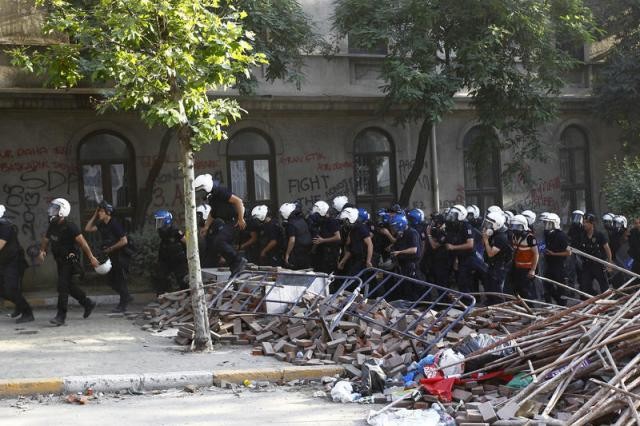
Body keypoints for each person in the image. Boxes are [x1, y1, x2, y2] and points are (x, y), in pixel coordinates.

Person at [38, 198, 98, 326]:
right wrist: (42, 250)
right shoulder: (53, 224)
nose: (51, 211)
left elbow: (83, 243)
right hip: (60, 259)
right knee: (68, 286)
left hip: (70, 260)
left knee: (63, 287)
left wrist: (91, 257)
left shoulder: (70, 226)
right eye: (52, 208)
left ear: (62, 211)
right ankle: (88, 303)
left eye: (55, 209)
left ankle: (61, 316)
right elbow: (46, 239)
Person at [195, 173, 247, 276]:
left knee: (219, 240)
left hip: (235, 221)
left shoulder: (220, 191)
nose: (201, 195)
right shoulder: (213, 198)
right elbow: (213, 213)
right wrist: (206, 227)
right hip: (229, 222)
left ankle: (238, 261)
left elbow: (239, 201)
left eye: (201, 191)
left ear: (207, 187)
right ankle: (235, 267)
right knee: (217, 243)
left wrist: (241, 219)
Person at [85, 200, 132, 313]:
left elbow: (124, 241)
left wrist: (111, 248)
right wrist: (94, 214)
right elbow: (88, 228)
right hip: (110, 256)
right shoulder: (102, 224)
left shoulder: (114, 223)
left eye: (101, 211)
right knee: (110, 281)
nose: (99, 214)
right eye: (99, 212)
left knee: (120, 280)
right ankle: (126, 296)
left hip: (120, 255)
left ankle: (123, 304)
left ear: (108, 213)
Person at [0, 204, 34, 323]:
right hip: (4, 263)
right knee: (4, 291)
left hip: (13, 263)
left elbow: (1, 244)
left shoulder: (5, 226)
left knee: (11, 290)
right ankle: (20, 307)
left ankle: (28, 313)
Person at [482, 211, 513, 305]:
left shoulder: (501, 237)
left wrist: (486, 240)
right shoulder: (494, 234)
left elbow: (491, 253)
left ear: (497, 224)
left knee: (496, 290)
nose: (487, 226)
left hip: (499, 267)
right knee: (488, 286)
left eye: (489, 224)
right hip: (492, 265)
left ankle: (500, 308)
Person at [153, 210, 188, 294]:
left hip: (178, 259)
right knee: (161, 277)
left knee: (182, 279)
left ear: (166, 220)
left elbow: (187, 241)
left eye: (160, 221)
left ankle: (188, 296)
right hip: (165, 258)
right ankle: (161, 297)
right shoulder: (161, 231)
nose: (158, 223)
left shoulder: (175, 230)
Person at [389, 212, 423, 300]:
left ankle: (417, 305)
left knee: (414, 287)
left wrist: (400, 252)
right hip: (403, 264)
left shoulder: (412, 233)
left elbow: (414, 249)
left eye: (395, 226)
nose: (394, 229)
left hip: (412, 264)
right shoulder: (401, 233)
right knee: (405, 286)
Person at [577, 214, 612, 295]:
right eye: (583, 222)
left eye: (586, 222)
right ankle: (595, 299)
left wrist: (609, 264)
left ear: (592, 224)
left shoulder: (599, 235)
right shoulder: (582, 235)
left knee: (605, 288)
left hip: (598, 265)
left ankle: (608, 302)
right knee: (585, 287)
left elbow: (607, 250)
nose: (584, 224)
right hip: (587, 265)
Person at [444, 205, 474, 293]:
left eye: (454, 215)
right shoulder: (454, 225)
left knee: (464, 281)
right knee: (459, 281)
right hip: (458, 258)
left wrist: (453, 247)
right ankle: (464, 302)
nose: (452, 217)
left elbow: (470, 244)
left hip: (467, 258)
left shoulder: (466, 226)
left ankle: (468, 303)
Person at [542, 213, 570, 305]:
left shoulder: (562, 236)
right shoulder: (547, 234)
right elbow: (543, 245)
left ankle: (563, 305)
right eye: (546, 223)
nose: (547, 226)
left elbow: (569, 252)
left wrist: (554, 254)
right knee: (547, 285)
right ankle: (555, 301)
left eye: (549, 223)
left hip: (559, 265)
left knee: (561, 287)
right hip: (549, 264)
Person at [510, 214, 539, 300]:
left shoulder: (529, 237)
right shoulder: (514, 236)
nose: (515, 229)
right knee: (517, 289)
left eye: (518, 226)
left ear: (523, 226)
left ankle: (530, 309)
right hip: (517, 267)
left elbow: (536, 254)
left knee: (527, 291)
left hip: (527, 268)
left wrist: (533, 270)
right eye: (513, 226)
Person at [337, 207, 373, 276]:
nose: (343, 223)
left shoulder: (361, 228)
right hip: (355, 260)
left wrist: (368, 260)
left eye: (344, 220)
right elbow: (351, 249)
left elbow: (370, 244)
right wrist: (343, 261)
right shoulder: (351, 230)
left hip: (363, 260)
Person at [309, 201, 341, 274]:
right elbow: (318, 237)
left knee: (329, 275)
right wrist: (313, 249)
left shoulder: (332, 221)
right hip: (321, 254)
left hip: (331, 254)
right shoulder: (320, 222)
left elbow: (338, 237)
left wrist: (323, 240)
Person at [280, 202, 312, 270]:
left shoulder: (291, 224)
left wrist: (287, 254)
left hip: (296, 253)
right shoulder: (301, 220)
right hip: (305, 251)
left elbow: (292, 240)